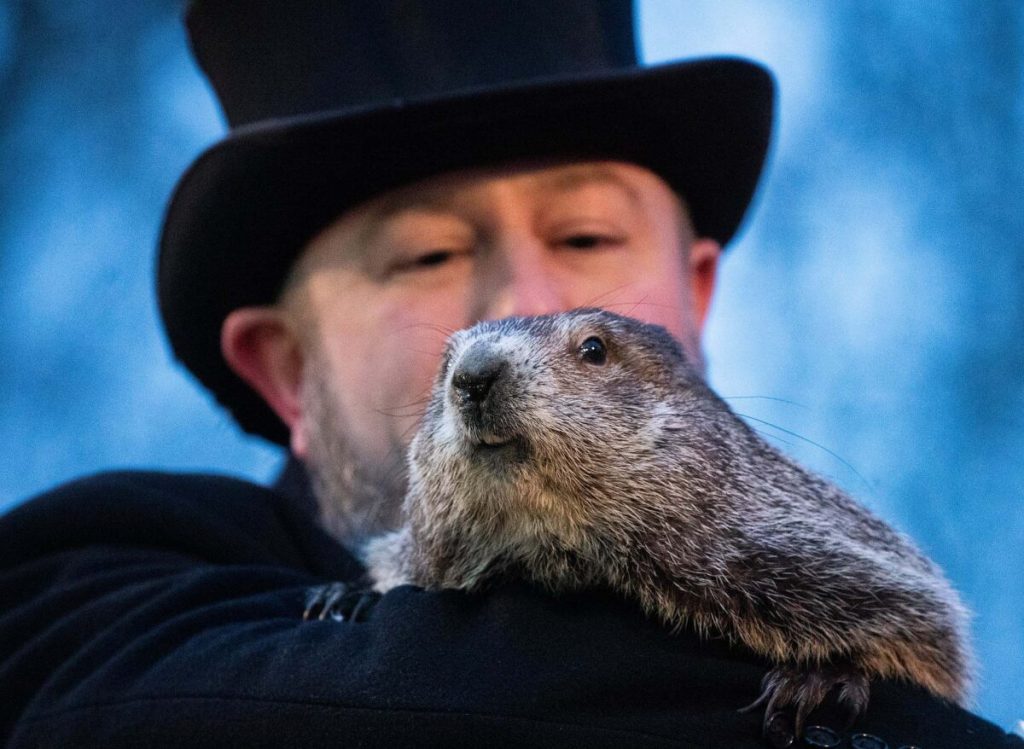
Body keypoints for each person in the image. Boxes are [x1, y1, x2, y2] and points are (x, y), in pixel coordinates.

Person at [0, 1, 1019, 747]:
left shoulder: (799, 531)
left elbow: (909, 631)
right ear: (286, 369)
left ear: (696, 301)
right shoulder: (99, 570)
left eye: (585, 234)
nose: (504, 312)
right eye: (425, 256)